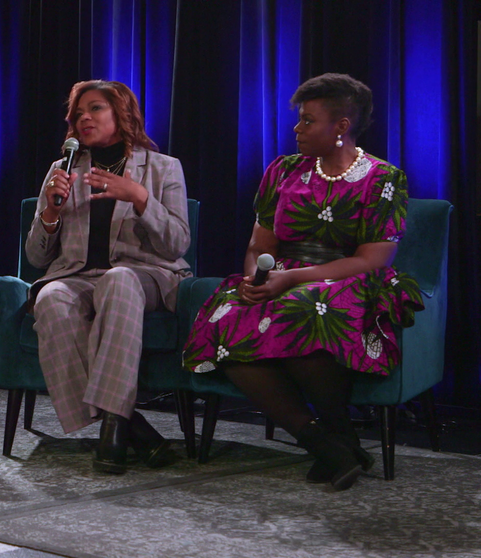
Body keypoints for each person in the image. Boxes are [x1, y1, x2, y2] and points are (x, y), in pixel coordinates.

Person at [183, 73, 423, 490]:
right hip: (282, 272)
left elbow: (373, 258)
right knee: (228, 318)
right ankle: (327, 442)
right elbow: (260, 242)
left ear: (341, 127)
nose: (297, 129)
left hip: (349, 276)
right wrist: (256, 278)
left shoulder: (384, 178)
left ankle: (334, 441)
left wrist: (292, 279)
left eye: (308, 121)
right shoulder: (283, 170)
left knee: (304, 309)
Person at [27, 80, 191, 474]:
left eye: (95, 109)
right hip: (81, 277)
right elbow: (36, 257)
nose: (84, 118)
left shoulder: (163, 167)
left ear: (122, 113)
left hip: (147, 275)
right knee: (50, 297)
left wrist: (139, 197)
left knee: (119, 280)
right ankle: (128, 424)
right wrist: (50, 213)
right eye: (78, 113)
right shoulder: (62, 170)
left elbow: (177, 244)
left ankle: (117, 427)